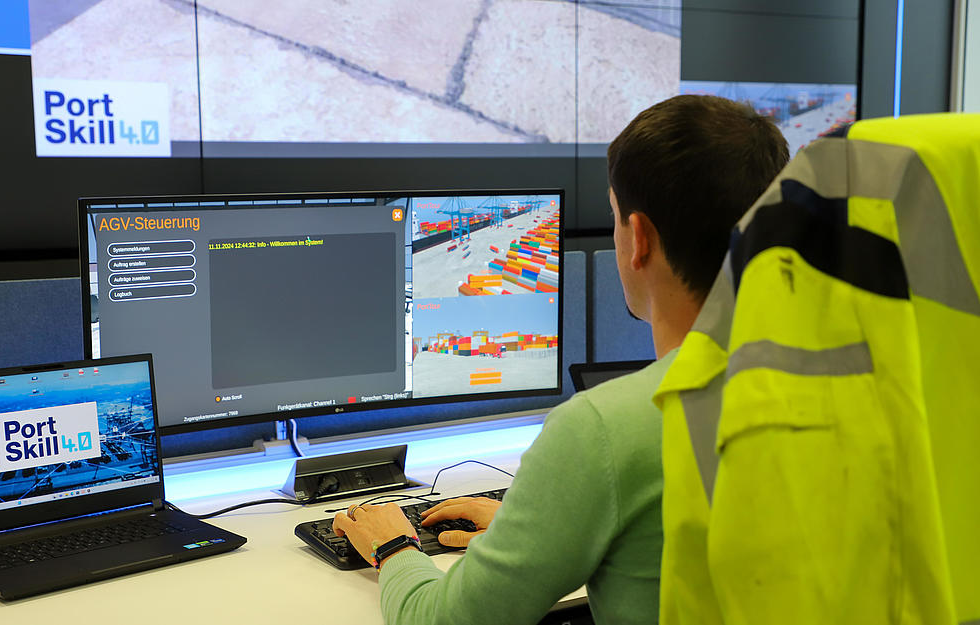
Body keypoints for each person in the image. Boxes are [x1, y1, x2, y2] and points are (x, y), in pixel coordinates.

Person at [331, 95, 790, 625]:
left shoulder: (607, 429)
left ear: (638, 239)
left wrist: (393, 546)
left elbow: (440, 621)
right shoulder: (844, 386)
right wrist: (539, 528)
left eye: (615, 216)